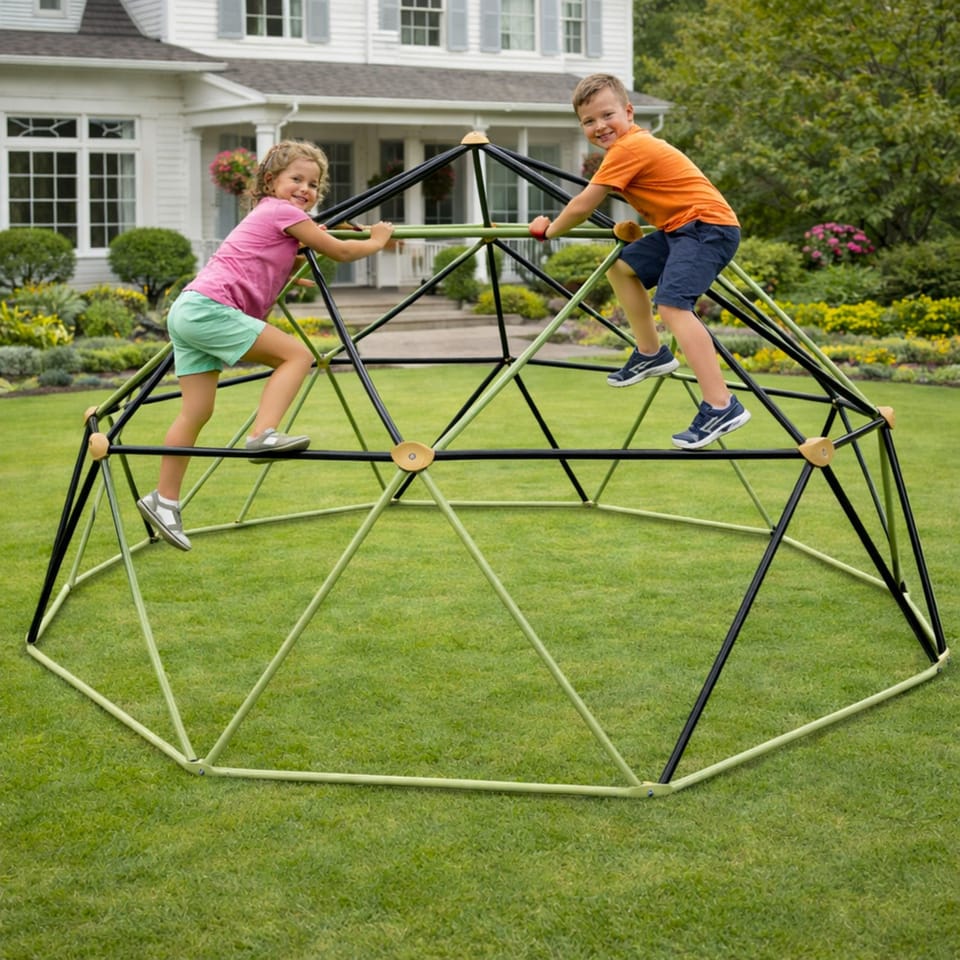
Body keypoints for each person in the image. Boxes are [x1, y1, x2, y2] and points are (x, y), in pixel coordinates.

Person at [137, 139, 395, 551]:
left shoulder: (271, 216)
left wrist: (296, 261)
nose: (305, 189)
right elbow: (342, 252)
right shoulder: (282, 211)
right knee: (297, 355)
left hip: (189, 311)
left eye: (313, 184)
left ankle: (164, 500)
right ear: (271, 181)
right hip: (210, 310)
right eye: (296, 179)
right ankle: (263, 434)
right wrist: (378, 239)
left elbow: (272, 257)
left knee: (196, 411)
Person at [529, 73, 750, 451]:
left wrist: (547, 232)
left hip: (706, 227)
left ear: (629, 113)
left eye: (607, 115)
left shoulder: (628, 148)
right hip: (680, 229)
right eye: (589, 121)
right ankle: (651, 352)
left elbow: (583, 205)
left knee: (674, 305)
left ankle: (721, 405)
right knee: (622, 267)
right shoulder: (629, 149)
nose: (600, 126)